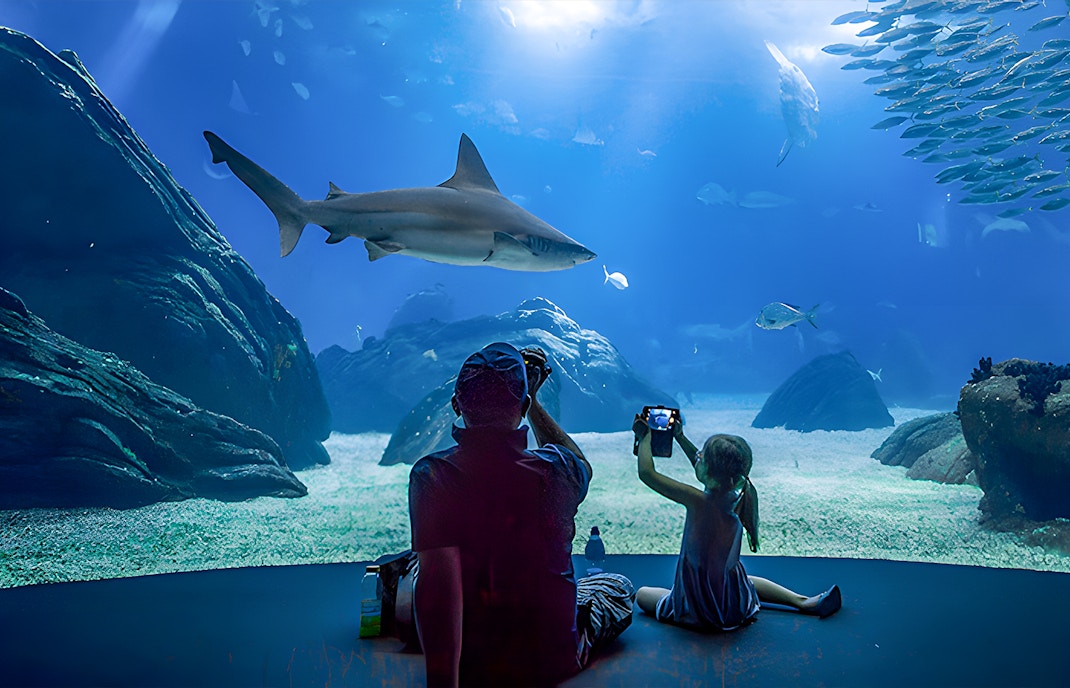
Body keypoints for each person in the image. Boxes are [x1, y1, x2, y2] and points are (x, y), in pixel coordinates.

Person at [408, 342, 634, 687]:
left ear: (456, 404)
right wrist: (534, 402)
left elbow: (439, 588)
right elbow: (582, 464)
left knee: (415, 571)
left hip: (472, 663)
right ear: (525, 403)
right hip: (553, 659)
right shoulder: (557, 470)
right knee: (615, 586)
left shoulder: (433, 476)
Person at [632, 412, 841, 631]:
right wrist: (680, 437)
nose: (698, 456)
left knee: (643, 594)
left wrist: (645, 437)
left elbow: (647, 473)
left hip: (700, 608)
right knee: (744, 579)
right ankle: (804, 601)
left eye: (703, 456)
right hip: (733, 603)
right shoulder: (738, 497)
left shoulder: (698, 501)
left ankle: (693, 612)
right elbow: (705, 465)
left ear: (709, 471)